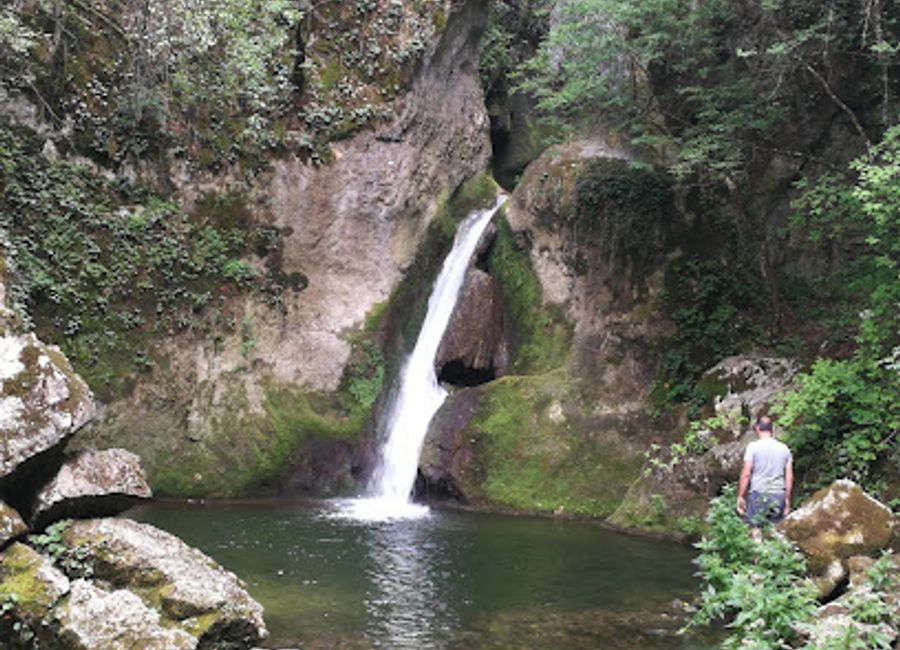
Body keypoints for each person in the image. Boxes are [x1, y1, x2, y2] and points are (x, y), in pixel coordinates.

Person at [736, 415, 793, 539]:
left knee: (756, 531)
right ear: (772, 429)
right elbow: (789, 476)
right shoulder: (785, 449)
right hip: (778, 494)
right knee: (774, 531)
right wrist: (787, 499)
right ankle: (776, 556)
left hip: (758, 494)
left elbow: (746, 473)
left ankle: (758, 557)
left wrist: (740, 496)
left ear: (757, 429)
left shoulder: (753, 447)